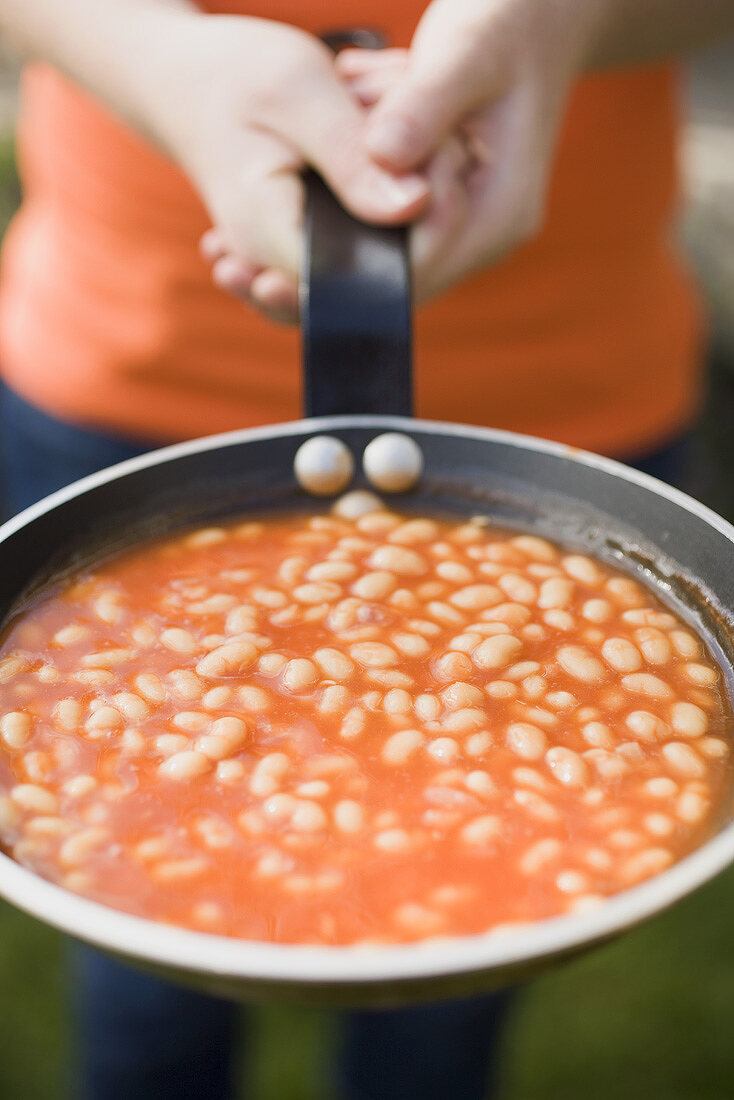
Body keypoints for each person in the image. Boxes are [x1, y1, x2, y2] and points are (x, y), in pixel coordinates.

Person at [0, 2, 732, 1098]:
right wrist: (152, 59)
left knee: (454, 993)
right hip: (123, 353)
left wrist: (559, 25)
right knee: (135, 950)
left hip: (571, 384)